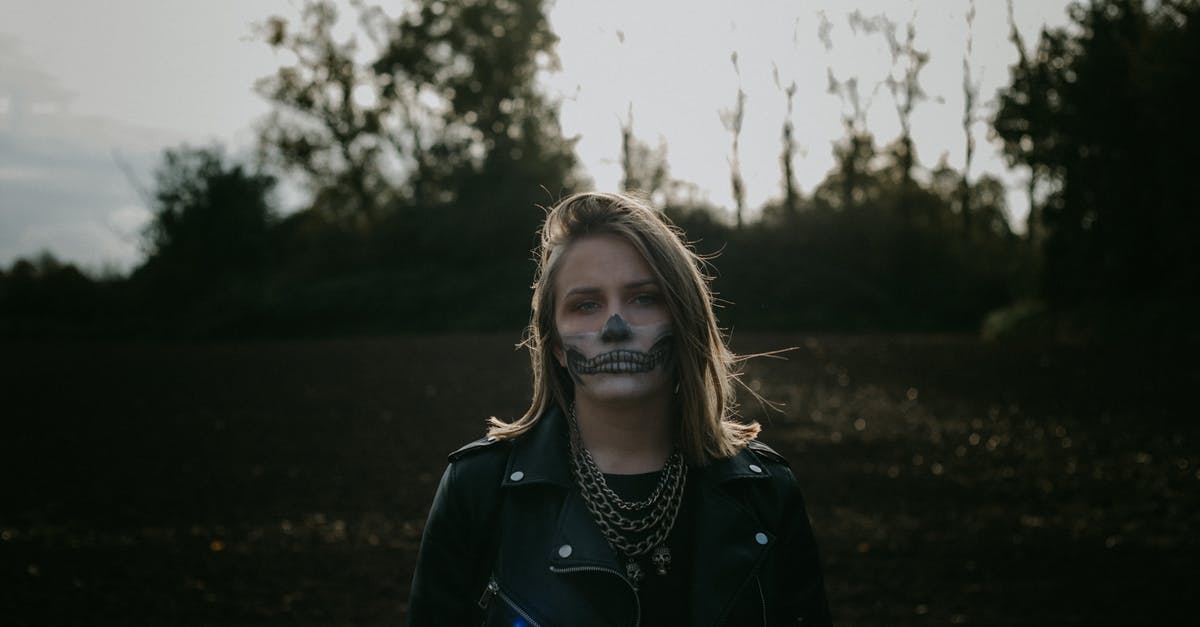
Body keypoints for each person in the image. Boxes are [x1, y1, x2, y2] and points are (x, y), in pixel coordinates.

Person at [407, 192, 831, 626]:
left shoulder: (765, 494)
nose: (615, 326)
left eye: (643, 298)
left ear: (685, 320)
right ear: (555, 346)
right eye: (586, 304)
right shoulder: (477, 489)